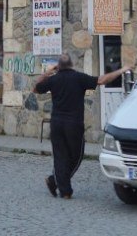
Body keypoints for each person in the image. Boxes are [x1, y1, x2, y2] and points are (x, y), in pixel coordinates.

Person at [34, 53, 128, 200]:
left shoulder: (53, 79)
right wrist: (121, 70)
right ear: (72, 64)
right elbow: (102, 80)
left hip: (57, 123)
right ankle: (63, 188)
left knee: (60, 157)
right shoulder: (79, 78)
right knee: (76, 156)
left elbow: (36, 88)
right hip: (73, 124)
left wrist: (48, 72)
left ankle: (58, 184)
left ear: (58, 66)